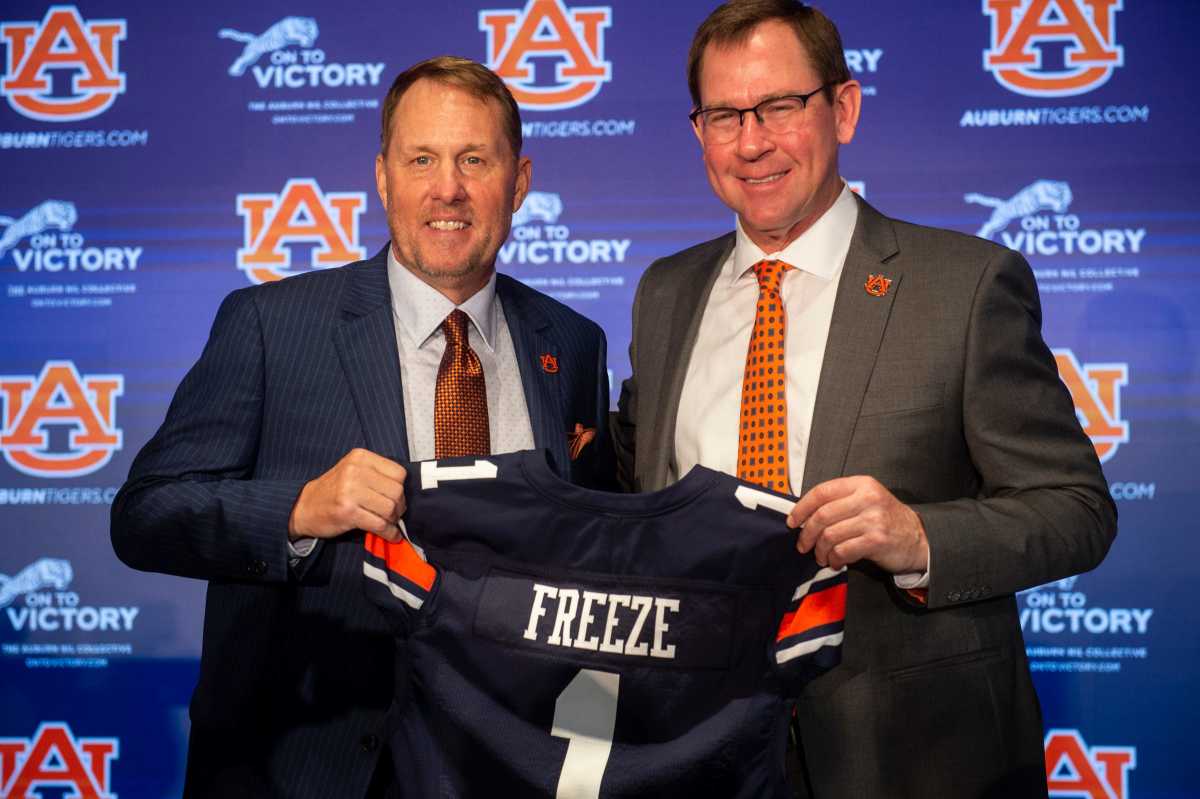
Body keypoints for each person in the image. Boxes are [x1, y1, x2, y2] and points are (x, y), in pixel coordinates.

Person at [612, 2, 1116, 797]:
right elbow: (636, 484)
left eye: (779, 107)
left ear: (842, 108)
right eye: (724, 115)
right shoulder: (665, 292)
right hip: (703, 749)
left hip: (914, 757)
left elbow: (1078, 509)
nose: (752, 142)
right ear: (698, 131)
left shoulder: (965, 285)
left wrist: (919, 534)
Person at [111, 56, 614, 798]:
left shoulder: (572, 343)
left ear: (520, 180)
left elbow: (593, 553)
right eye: (422, 159)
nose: (448, 187)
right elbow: (144, 514)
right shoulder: (270, 327)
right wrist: (299, 508)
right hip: (311, 769)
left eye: (475, 158)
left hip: (508, 765)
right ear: (384, 178)